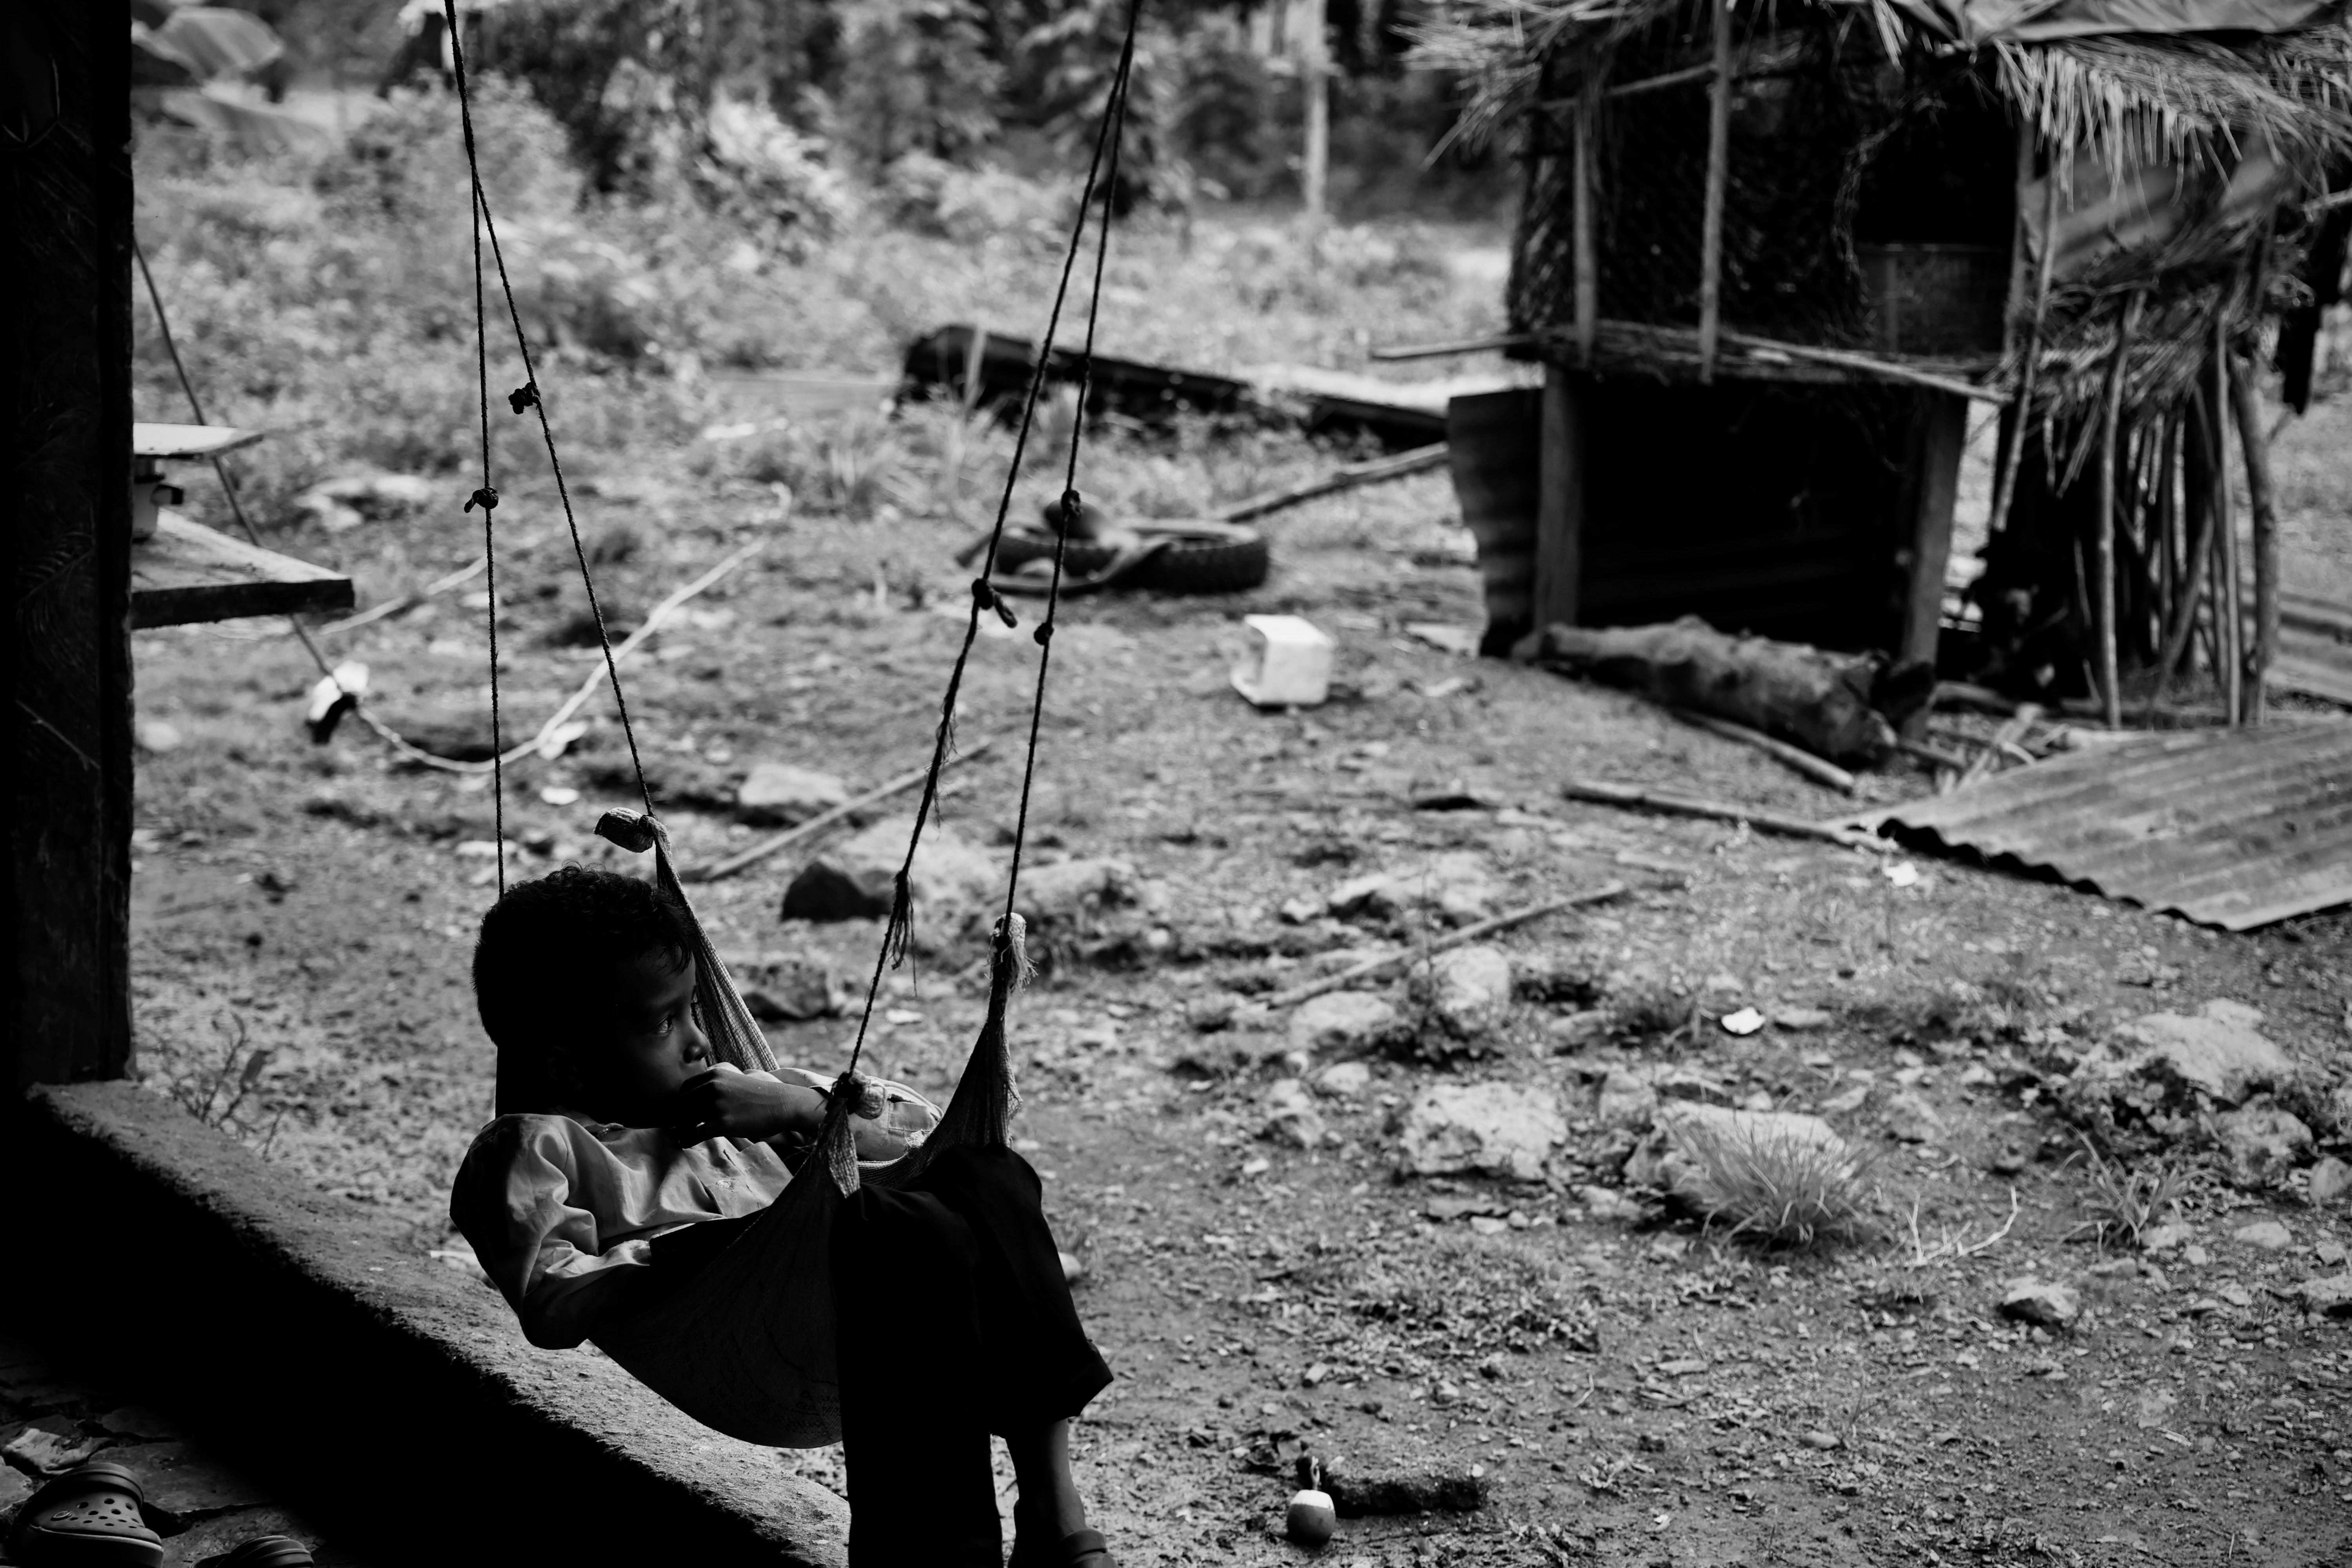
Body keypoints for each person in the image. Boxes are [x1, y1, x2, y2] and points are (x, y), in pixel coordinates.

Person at [449, 866, 1116, 1567]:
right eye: (665, 1023)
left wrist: (800, 1109)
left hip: (864, 1288)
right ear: (568, 1068)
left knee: (988, 1173)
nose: (700, 1041)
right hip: (747, 1311)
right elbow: (552, 1301)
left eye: (696, 1011)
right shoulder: (536, 1147)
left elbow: (907, 1145)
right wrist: (693, 1255)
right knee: (912, 1232)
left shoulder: (741, 1099)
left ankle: (1054, 1518)